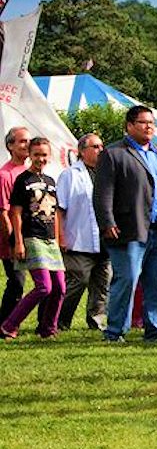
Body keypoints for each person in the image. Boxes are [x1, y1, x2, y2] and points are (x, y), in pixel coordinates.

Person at [93, 105, 157, 343]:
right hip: (128, 229)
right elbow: (102, 193)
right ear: (129, 126)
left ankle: (156, 332)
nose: (149, 126)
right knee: (128, 278)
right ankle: (114, 332)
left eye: (152, 122)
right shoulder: (113, 153)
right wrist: (107, 221)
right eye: (143, 122)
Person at [1, 138, 64, 339]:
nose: (40, 159)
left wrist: (57, 237)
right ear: (29, 154)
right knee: (44, 286)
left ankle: (48, 329)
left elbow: (54, 212)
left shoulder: (51, 182)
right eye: (36, 154)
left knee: (60, 287)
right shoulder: (23, 180)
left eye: (44, 155)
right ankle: (9, 325)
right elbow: (15, 213)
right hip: (31, 238)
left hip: (49, 240)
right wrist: (18, 241)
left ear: (49, 156)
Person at [56, 133, 110, 332]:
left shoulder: (107, 174)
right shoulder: (70, 174)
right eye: (95, 146)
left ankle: (96, 320)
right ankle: (60, 320)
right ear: (82, 151)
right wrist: (60, 236)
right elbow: (59, 209)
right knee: (78, 280)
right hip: (79, 239)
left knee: (102, 283)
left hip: (104, 240)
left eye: (101, 146)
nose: (100, 150)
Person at [0, 126, 31, 325]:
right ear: (10, 146)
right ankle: (5, 323)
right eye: (22, 141)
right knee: (17, 282)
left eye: (28, 141)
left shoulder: (30, 172)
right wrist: (13, 241)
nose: (26, 145)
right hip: (12, 240)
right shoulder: (5, 175)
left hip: (32, 237)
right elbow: (3, 212)